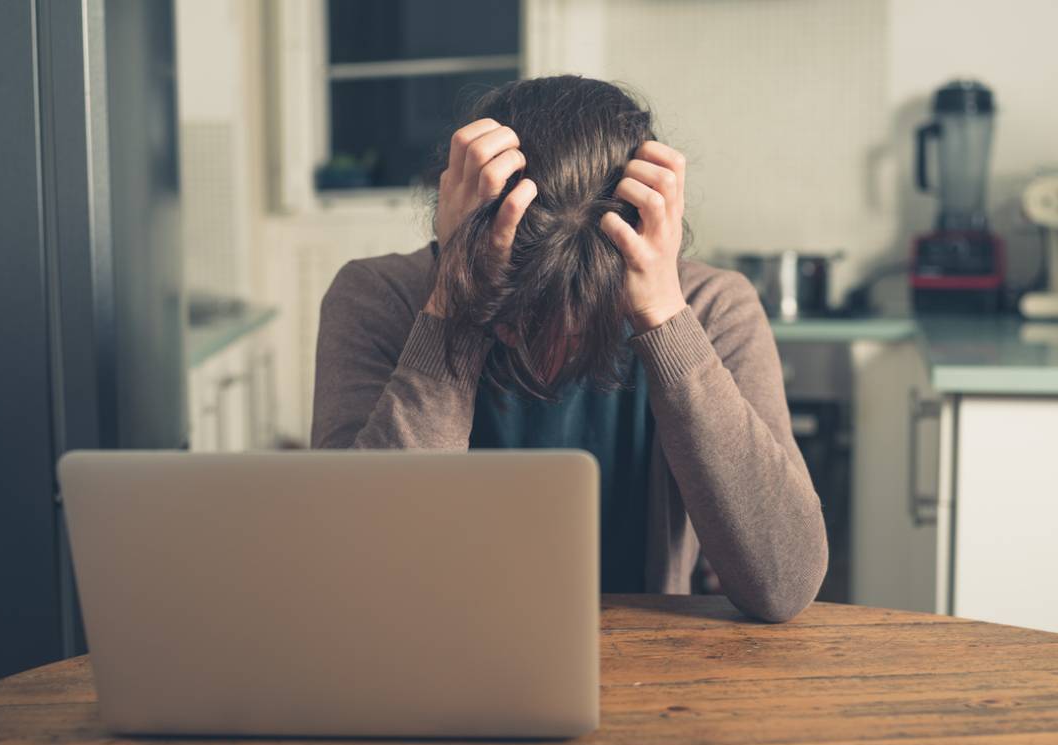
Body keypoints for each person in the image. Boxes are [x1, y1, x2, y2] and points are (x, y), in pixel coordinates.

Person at [311, 75, 827, 622]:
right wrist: (456, 302)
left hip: (654, 666)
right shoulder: (377, 296)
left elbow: (784, 583)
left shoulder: (712, 305)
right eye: (520, 314)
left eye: (582, 317)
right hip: (425, 646)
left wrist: (665, 318)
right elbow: (355, 576)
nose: (549, 343)